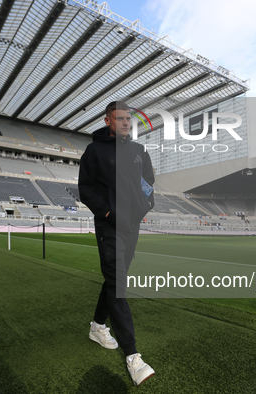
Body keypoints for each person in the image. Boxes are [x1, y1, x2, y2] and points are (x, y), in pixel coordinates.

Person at [79, 101, 156, 386]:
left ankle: (98, 326)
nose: (126, 123)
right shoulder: (94, 151)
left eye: (129, 119)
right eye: (120, 118)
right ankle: (133, 356)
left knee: (115, 277)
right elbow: (85, 187)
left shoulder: (139, 151)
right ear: (108, 121)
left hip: (131, 225)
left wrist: (144, 206)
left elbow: (148, 182)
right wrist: (107, 211)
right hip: (109, 224)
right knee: (117, 280)